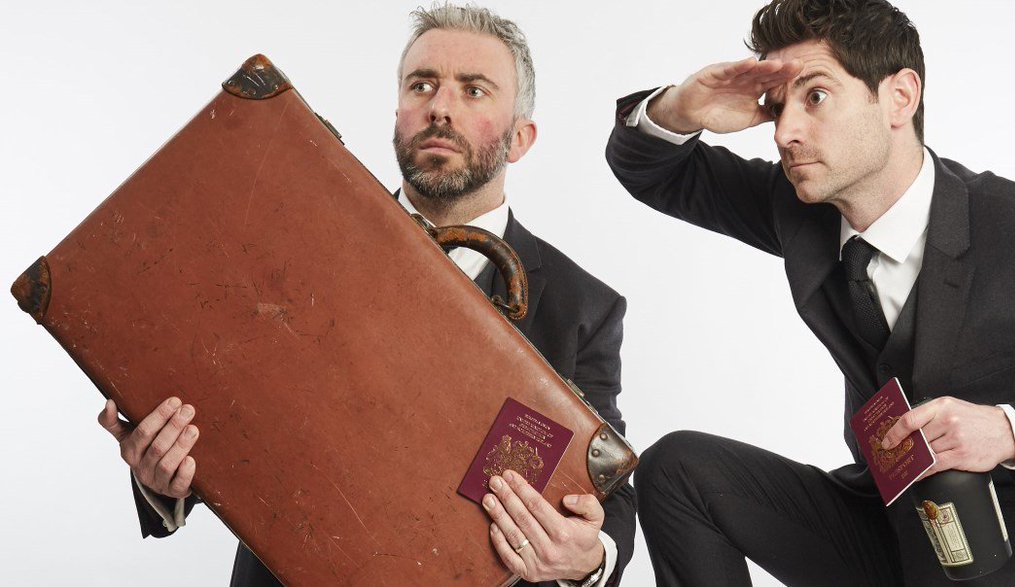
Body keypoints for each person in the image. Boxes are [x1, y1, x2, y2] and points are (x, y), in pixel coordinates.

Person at [605, 0, 1015, 585]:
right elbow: (653, 171)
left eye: (816, 97)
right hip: (882, 522)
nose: (785, 132)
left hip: (1009, 551)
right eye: (778, 106)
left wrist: (1007, 430)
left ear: (900, 96)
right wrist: (681, 108)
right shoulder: (800, 208)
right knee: (679, 470)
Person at [97, 4, 634, 586]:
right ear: (398, 115)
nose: (441, 107)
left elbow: (610, 496)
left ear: (520, 138)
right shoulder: (294, 239)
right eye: (421, 85)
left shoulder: (585, 308)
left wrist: (587, 559)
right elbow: (221, 399)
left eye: (474, 90)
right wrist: (162, 478)